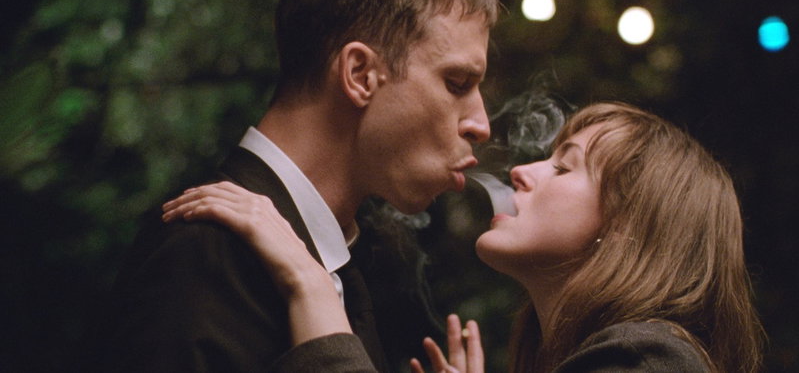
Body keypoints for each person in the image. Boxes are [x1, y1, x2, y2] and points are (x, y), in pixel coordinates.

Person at [90, 0, 498, 372]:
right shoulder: (203, 251)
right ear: (360, 74)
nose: (481, 125)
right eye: (457, 83)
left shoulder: (337, 263)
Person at [162, 102, 765, 372]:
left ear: (629, 227)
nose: (523, 171)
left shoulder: (650, 362)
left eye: (564, 167)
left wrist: (311, 287)